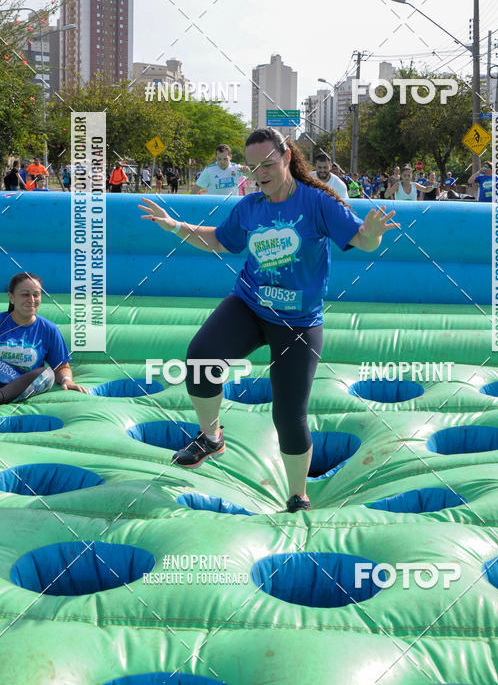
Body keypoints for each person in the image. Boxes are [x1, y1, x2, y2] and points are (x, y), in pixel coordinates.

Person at [138, 127, 401, 513]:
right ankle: (211, 437)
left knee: (288, 414)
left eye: (268, 163)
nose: (260, 172)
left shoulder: (316, 203)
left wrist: (374, 234)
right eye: (253, 166)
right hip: (250, 305)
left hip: (298, 323)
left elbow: (361, 240)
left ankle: (298, 495)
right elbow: (221, 239)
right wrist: (177, 226)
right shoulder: (250, 207)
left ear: (287, 158)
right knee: (201, 357)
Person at [0, 272, 87, 403]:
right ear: (11, 298)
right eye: (25, 294)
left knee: (47, 374)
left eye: (36, 294)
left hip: (21, 388)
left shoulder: (48, 329)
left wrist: (67, 380)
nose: (31, 299)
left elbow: (61, 367)